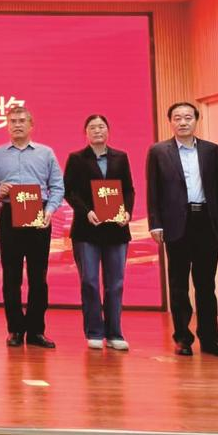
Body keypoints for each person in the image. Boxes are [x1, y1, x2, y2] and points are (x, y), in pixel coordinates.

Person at [147, 102, 218, 358]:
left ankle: (210, 340)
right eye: (177, 118)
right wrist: (155, 223)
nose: (183, 122)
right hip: (176, 224)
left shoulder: (211, 150)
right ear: (170, 122)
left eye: (188, 117)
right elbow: (153, 190)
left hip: (206, 222)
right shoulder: (158, 151)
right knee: (178, 285)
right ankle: (183, 339)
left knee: (206, 285)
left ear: (197, 120)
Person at [0, 106, 64, 349]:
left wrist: (49, 211)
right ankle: (15, 330)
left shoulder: (46, 153)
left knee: (38, 277)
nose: (17, 125)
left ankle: (36, 331)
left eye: (21, 121)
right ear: (7, 125)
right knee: (11, 276)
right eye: (12, 121)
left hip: (39, 214)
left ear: (31, 125)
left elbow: (57, 186)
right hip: (9, 213)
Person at [64, 114, 135, 351]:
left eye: (101, 126)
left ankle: (115, 333)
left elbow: (128, 190)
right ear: (85, 132)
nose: (97, 130)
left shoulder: (120, 157)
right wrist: (86, 212)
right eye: (92, 127)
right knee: (90, 282)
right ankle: (94, 331)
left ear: (108, 131)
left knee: (115, 284)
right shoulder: (76, 158)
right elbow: (70, 191)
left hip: (116, 229)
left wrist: (127, 212)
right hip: (87, 230)